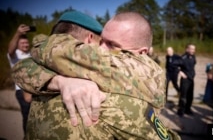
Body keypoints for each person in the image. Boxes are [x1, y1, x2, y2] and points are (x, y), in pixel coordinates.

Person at [12, 11, 180, 140]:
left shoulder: (142, 71)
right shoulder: (66, 70)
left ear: (141, 53)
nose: (101, 50)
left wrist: (42, 45)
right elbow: (21, 68)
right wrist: (59, 82)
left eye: (112, 45)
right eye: (102, 41)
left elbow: (28, 64)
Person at [7, 24, 33, 134]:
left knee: (36, 117)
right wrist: (18, 33)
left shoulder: (31, 54)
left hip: (33, 90)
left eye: (26, 42)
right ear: (17, 45)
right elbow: (10, 50)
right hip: (21, 90)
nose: (25, 44)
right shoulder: (15, 55)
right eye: (22, 43)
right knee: (27, 116)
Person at [177, 43, 196, 117]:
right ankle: (181, 111)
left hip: (191, 79)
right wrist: (180, 72)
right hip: (185, 80)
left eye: (194, 49)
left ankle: (188, 109)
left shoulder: (193, 57)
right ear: (187, 49)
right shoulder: (183, 57)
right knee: (183, 96)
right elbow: (174, 65)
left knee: (190, 96)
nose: (193, 50)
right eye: (191, 49)